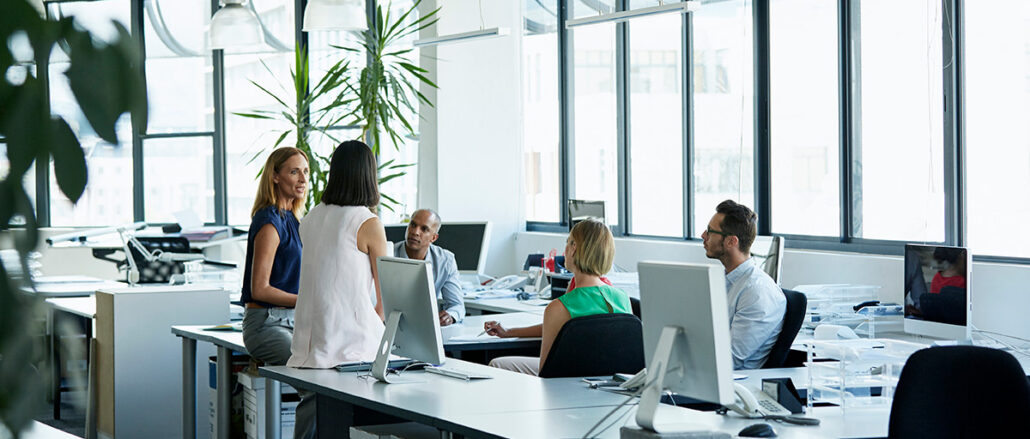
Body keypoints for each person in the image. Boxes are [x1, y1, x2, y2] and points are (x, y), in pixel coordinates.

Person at [287, 140, 390, 439]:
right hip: (350, 348)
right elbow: (386, 298)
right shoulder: (367, 222)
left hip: (310, 344)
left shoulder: (311, 217)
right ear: (368, 175)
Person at [484, 219, 631, 376]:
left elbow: (546, 371)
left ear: (574, 248)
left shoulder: (559, 307)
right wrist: (509, 332)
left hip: (567, 385)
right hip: (610, 385)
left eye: (567, 242)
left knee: (497, 364)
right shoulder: (622, 298)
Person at [240, 147, 307, 367]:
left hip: (293, 321)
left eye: (306, 172)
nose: (303, 179)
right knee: (310, 372)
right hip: (266, 324)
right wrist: (307, 300)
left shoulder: (293, 220)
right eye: (294, 172)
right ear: (275, 176)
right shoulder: (270, 221)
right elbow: (260, 289)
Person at [702, 200, 786, 370]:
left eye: (710, 231)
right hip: (701, 373)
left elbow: (730, 359)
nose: (703, 235)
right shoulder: (725, 281)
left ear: (731, 241)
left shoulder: (757, 292)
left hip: (734, 386)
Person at [393, 208, 465, 326]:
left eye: (424, 229)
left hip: (425, 326)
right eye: (413, 225)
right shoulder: (387, 254)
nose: (415, 232)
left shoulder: (445, 260)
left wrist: (451, 315)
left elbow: (457, 305)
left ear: (433, 238)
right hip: (391, 324)